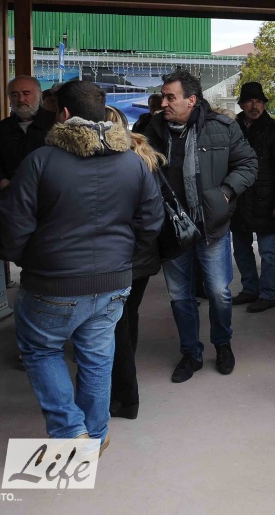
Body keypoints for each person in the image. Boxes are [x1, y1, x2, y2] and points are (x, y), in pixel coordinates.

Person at [0, 80, 163, 448]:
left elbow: (13, 224)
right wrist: (124, 260)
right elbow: (151, 222)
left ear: (65, 114)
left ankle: (72, 431)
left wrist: (25, 259)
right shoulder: (133, 163)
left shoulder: (40, 160)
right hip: (113, 283)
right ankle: (95, 434)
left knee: (41, 351)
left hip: (52, 283)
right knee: (97, 357)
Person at [144, 69, 258, 383]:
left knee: (219, 292)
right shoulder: (152, 130)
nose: (164, 103)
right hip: (172, 228)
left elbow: (248, 164)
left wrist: (225, 192)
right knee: (180, 295)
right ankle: (190, 353)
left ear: (191, 100)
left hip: (211, 226)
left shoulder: (222, 128)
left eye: (171, 97)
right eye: (163, 96)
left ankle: (222, 344)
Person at [103, 107, 165, 421]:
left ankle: (125, 395)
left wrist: (128, 254)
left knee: (117, 324)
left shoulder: (125, 161)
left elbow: (149, 216)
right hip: (139, 257)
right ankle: (123, 384)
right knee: (126, 319)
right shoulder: (142, 155)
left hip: (127, 258)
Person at [231, 82, 275, 313]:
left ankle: (268, 294)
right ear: (242, 104)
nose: (255, 106)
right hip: (239, 198)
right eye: (250, 101)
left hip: (266, 200)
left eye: (259, 101)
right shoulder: (233, 128)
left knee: (267, 251)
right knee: (241, 249)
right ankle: (250, 288)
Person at [0, 76, 54, 195]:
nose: (20, 99)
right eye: (15, 95)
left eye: (26, 93)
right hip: (13, 198)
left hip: (50, 197)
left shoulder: (55, 124)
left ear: (39, 95)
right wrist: (2, 183)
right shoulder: (0, 130)